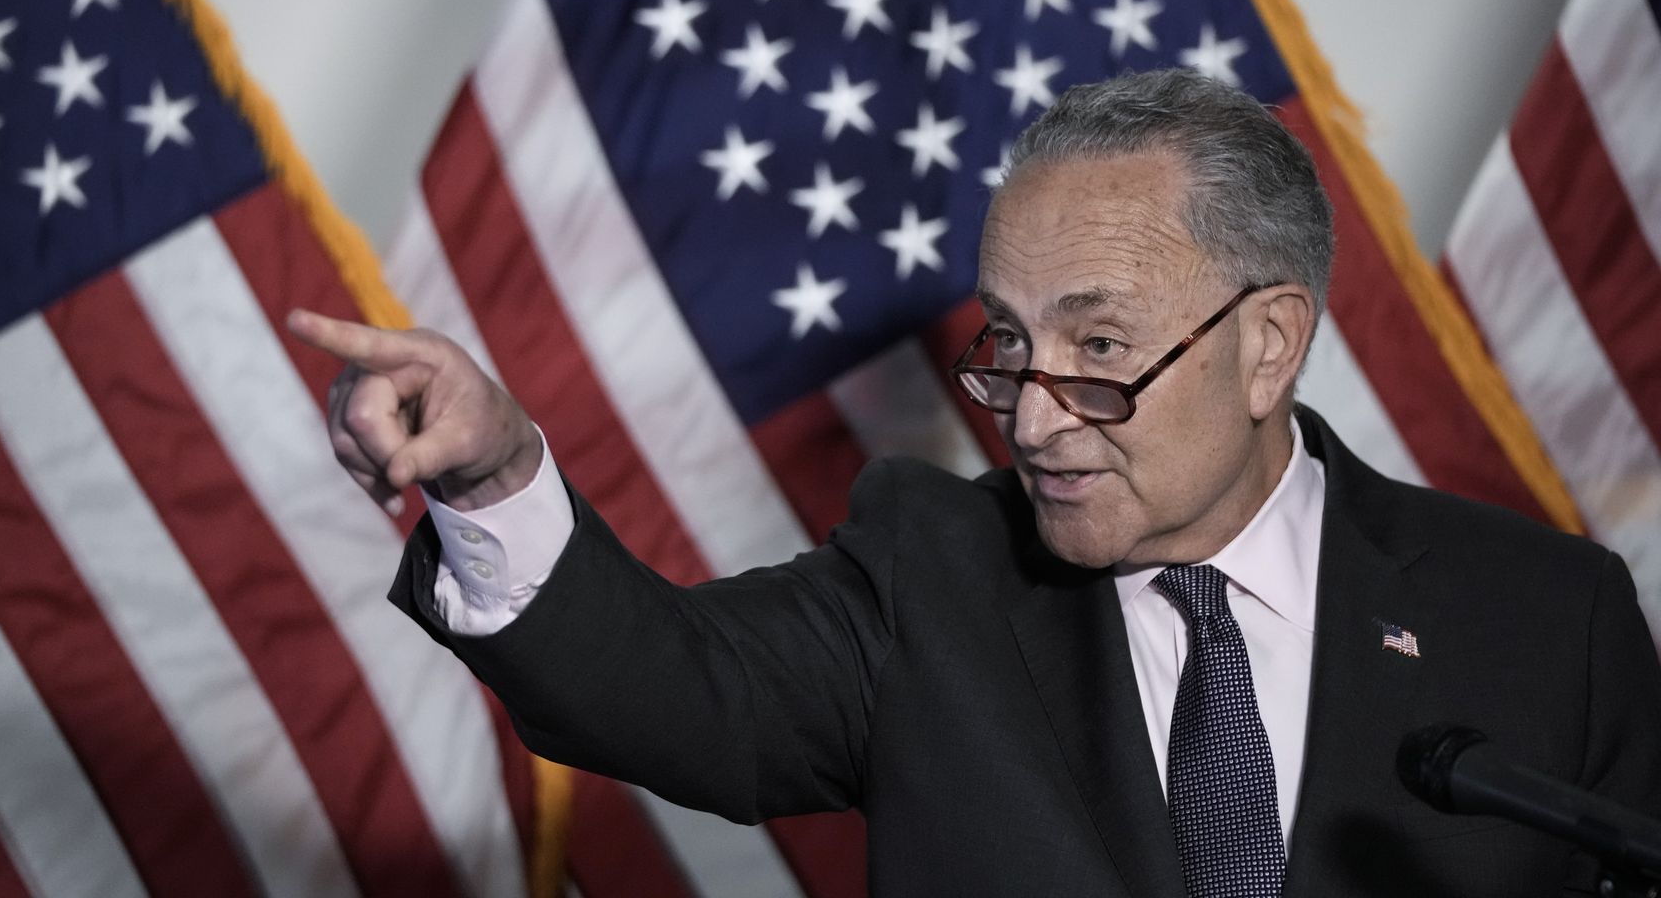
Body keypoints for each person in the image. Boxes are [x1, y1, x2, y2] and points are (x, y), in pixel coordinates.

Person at [288, 69, 1661, 897]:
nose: (1039, 417)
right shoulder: (929, 571)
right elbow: (662, 686)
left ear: (1268, 346)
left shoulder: (1551, 618)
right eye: (1011, 344)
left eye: (1101, 347)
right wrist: (492, 474)